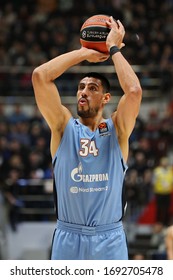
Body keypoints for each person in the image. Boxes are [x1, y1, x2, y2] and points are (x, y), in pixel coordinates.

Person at [32, 17, 142, 260]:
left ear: (106, 98)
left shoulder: (118, 129)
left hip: (110, 238)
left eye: (92, 88)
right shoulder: (62, 127)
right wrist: (83, 53)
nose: (83, 91)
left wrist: (113, 50)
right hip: (68, 237)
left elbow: (133, 92)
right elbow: (40, 76)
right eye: (81, 87)